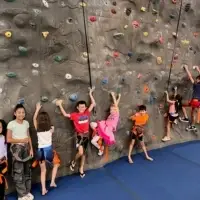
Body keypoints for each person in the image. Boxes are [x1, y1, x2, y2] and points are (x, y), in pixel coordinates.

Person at [56, 87, 96, 178]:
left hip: (86, 136)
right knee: (81, 152)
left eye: (84, 106)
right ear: (77, 107)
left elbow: (93, 103)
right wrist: (60, 105)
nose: (82, 108)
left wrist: (90, 94)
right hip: (79, 136)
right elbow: (65, 114)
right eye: (80, 107)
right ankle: (73, 161)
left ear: (85, 107)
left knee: (84, 154)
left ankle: (81, 169)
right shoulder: (74, 115)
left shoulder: (87, 113)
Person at [7, 104, 34, 200]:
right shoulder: (11, 124)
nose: (21, 114)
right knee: (19, 172)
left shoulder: (26, 123)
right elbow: (8, 139)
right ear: (15, 113)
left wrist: (31, 148)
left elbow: (29, 136)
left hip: (26, 148)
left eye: (23, 112)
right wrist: (22, 140)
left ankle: (27, 191)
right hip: (16, 149)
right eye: (19, 112)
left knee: (27, 170)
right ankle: (21, 195)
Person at [33, 102, 60, 196]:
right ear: (48, 120)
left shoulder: (37, 129)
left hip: (40, 151)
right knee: (56, 164)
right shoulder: (51, 128)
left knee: (43, 171)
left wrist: (37, 109)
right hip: (48, 151)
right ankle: (52, 182)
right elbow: (52, 129)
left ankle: (44, 189)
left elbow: (34, 119)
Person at [90, 92, 121, 156]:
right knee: (92, 124)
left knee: (93, 140)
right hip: (103, 125)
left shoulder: (116, 115)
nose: (111, 111)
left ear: (116, 110)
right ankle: (100, 147)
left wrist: (113, 96)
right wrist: (119, 97)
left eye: (113, 110)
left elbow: (116, 105)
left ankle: (100, 143)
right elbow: (115, 105)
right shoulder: (111, 114)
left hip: (108, 130)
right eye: (110, 110)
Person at [182, 64, 200, 131]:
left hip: (194, 102)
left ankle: (186, 118)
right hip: (198, 103)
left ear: (198, 80)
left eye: (197, 79)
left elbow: (190, 76)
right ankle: (192, 125)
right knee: (193, 113)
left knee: (183, 105)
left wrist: (186, 68)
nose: (196, 79)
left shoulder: (195, 84)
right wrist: (197, 69)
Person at [0, 119, 8, 200]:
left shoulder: (3, 138)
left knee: (2, 181)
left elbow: (5, 150)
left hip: (3, 163)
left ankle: (2, 196)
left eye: (0, 127)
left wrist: (6, 160)